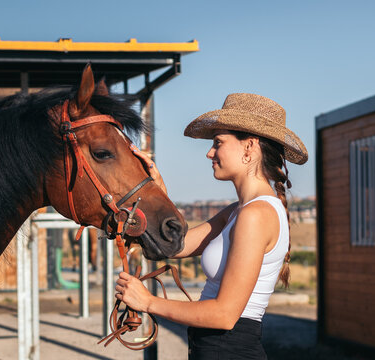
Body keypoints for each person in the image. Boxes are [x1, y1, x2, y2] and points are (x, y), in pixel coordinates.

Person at [117, 93, 308, 359]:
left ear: (249, 148)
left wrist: (148, 302)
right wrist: (156, 192)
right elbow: (177, 246)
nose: (210, 152)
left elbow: (224, 315)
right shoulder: (238, 211)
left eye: (218, 143)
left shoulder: (256, 215)